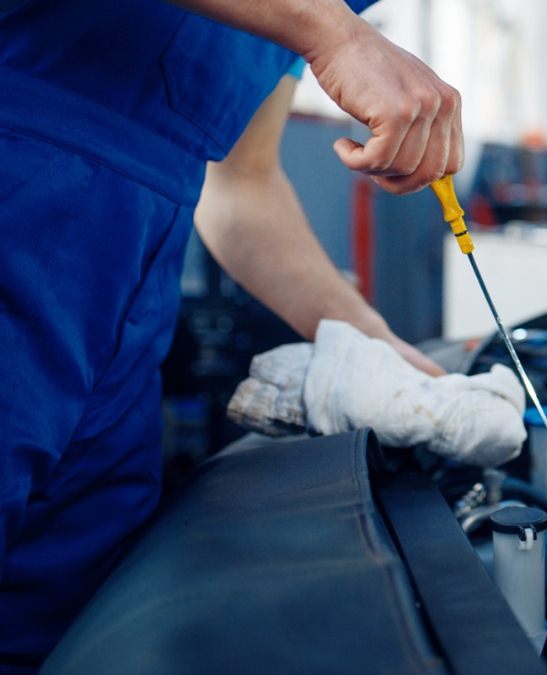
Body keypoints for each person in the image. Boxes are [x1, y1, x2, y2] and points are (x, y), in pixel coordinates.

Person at [0, 0, 462, 666]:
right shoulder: (326, 18)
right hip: (21, 189)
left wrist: (374, 348)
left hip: (129, 312)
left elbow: (241, 184)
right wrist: (333, 34)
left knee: (64, 624)